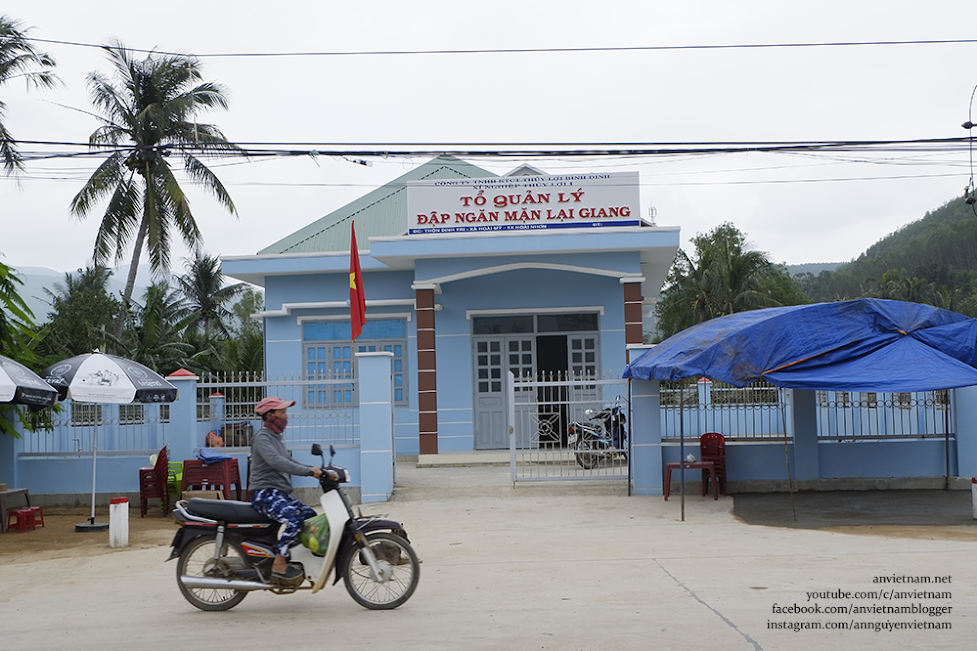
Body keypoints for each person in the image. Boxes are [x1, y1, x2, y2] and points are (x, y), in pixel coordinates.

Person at [250, 396, 323, 582]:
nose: (286, 417)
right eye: (282, 413)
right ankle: (279, 564)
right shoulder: (262, 437)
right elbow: (277, 461)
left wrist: (315, 470)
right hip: (264, 494)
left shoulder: (276, 438)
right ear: (270, 415)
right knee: (293, 519)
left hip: (278, 493)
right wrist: (307, 471)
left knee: (310, 516)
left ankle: (288, 552)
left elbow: (289, 461)